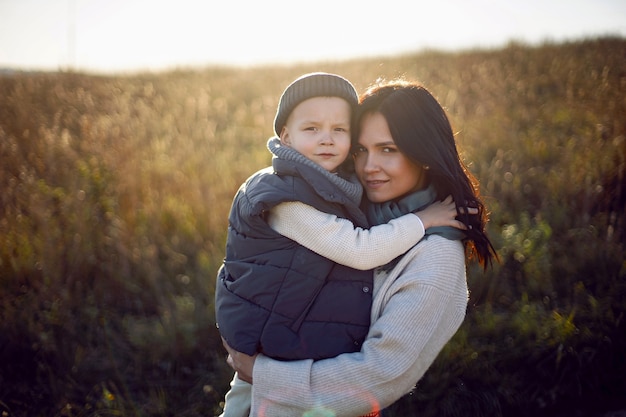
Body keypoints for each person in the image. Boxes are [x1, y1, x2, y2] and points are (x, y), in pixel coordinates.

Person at [222, 78, 497, 417]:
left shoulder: (435, 257)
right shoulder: (349, 204)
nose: (368, 167)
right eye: (361, 150)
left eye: (388, 150)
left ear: (424, 155)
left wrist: (264, 375)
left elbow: (379, 374)